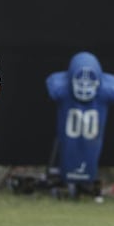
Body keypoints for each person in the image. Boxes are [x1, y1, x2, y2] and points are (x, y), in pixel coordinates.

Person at [46, 51, 114, 202]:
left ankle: (82, 184)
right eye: (80, 80)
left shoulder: (61, 84)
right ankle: (73, 183)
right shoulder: (62, 86)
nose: (84, 85)